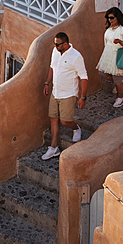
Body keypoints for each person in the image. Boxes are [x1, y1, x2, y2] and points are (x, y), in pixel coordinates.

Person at [42, 32, 88, 160]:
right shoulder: (55, 51)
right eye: (54, 43)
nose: (55, 46)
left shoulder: (76, 56)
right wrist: (47, 82)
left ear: (65, 44)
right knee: (53, 119)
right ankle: (54, 147)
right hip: (55, 92)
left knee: (65, 121)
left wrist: (83, 97)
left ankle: (76, 128)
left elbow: (83, 77)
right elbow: (52, 67)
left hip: (68, 94)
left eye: (57, 44)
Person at [97, 7, 123, 108]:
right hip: (109, 55)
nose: (110, 20)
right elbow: (106, 42)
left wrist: (121, 42)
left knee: (116, 78)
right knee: (102, 73)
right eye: (108, 18)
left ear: (118, 17)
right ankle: (120, 83)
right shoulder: (109, 29)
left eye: (112, 17)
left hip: (118, 56)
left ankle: (120, 98)